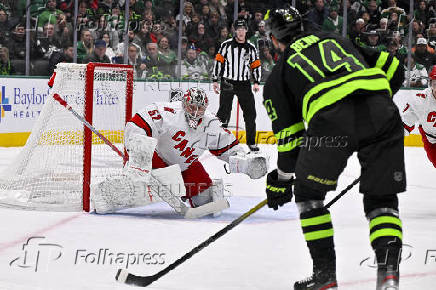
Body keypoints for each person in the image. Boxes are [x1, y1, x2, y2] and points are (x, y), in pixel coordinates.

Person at [263, 6, 405, 290]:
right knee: (382, 200)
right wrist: (375, 103)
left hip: (331, 125)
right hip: (383, 113)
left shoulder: (278, 75)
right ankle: (389, 278)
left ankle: (324, 276)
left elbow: (292, 144)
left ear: (275, 40)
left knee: (308, 194)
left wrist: (280, 181)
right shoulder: (337, 39)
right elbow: (394, 68)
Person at [122, 88, 267, 214]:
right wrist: (139, 154)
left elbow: (228, 147)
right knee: (137, 183)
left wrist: (245, 163)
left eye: (200, 108)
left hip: (184, 167)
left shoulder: (210, 124)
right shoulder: (168, 112)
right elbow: (136, 125)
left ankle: (180, 188)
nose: (196, 113)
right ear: (184, 104)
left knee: (210, 201)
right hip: (156, 160)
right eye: (192, 107)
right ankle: (125, 187)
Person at [213, 19, 261, 152]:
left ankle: (251, 142)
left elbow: (256, 65)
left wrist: (256, 81)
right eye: (238, 29)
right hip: (228, 81)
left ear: (246, 30)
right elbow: (218, 62)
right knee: (223, 113)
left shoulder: (251, 47)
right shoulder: (226, 45)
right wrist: (215, 80)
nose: (240, 31)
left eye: (243, 29)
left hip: (244, 84)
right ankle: (218, 141)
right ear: (235, 31)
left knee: (250, 113)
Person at [402, 65, 436, 168]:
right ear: (430, 84)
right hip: (432, 140)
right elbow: (404, 124)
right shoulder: (420, 101)